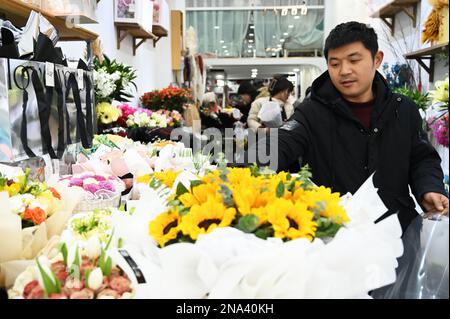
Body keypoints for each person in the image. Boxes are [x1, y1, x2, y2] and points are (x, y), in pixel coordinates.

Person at [258, 21, 448, 232]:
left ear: (377, 59)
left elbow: (422, 159)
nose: (344, 71)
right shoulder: (312, 112)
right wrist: (241, 169)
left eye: (354, 60)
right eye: (335, 63)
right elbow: (280, 143)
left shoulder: (403, 110)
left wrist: (430, 188)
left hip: (399, 231)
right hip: (335, 235)